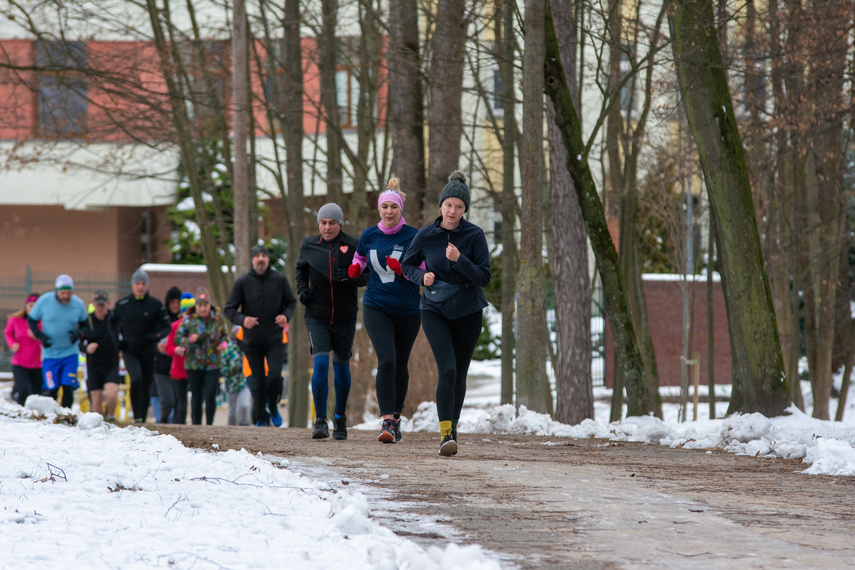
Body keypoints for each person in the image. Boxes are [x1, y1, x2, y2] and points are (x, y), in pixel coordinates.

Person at [401, 171, 491, 456]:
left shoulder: (474, 235)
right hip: (434, 309)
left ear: (465, 210)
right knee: (448, 370)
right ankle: (445, 434)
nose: (453, 211)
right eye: (448, 205)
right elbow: (407, 265)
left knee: (460, 374)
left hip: (468, 310)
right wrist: (421, 277)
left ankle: (453, 427)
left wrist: (460, 260)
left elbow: (484, 277)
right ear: (440, 206)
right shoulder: (425, 235)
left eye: (459, 206)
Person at [349, 178, 422, 443]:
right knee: (387, 359)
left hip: (409, 309)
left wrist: (405, 270)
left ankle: (397, 418)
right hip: (376, 305)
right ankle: (387, 421)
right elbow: (360, 257)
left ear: (400, 209)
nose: (389, 211)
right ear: (378, 209)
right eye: (384, 207)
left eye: (394, 207)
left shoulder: (414, 236)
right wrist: (356, 268)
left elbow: (424, 270)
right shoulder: (369, 235)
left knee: (400, 364)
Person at [296, 202, 368, 440]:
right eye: (323, 223)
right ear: (318, 224)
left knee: (341, 367)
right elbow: (300, 271)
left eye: (332, 223)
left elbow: (367, 276)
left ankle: (339, 417)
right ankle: (319, 421)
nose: (327, 228)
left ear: (340, 224)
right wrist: (302, 291)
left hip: (345, 317)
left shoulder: (354, 245)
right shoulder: (308, 245)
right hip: (317, 316)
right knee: (321, 365)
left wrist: (350, 277)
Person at [225, 244, 296, 427]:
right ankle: (261, 418)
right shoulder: (242, 282)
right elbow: (229, 309)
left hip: (274, 339)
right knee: (256, 381)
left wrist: (285, 316)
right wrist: (243, 319)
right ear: (252, 259)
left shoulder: (279, 280)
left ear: (268, 259)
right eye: (257, 256)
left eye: (264, 255)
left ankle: (272, 406)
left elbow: (291, 303)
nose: (261, 259)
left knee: (274, 377)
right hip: (251, 340)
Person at [110, 268, 172, 423]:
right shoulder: (123, 304)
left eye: (143, 283)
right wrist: (118, 342)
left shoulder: (155, 304)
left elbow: (167, 326)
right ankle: (137, 414)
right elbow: (111, 322)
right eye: (137, 283)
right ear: (132, 285)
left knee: (145, 383)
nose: (140, 286)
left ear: (147, 285)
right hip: (129, 350)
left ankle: (141, 418)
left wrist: (157, 337)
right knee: (136, 379)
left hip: (148, 350)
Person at [27, 274, 89, 408]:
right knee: (52, 389)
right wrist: (40, 336)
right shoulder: (44, 301)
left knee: (67, 386)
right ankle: (52, 420)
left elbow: (86, 325)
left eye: (68, 293)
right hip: (50, 355)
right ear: (56, 291)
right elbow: (31, 320)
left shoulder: (78, 304)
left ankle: (67, 416)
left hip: (70, 353)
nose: (66, 296)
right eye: (62, 293)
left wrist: (79, 333)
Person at [174, 287, 229, 425]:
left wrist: (223, 344)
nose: (203, 308)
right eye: (199, 305)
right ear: (195, 305)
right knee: (196, 395)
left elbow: (225, 337)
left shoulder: (217, 319)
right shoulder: (188, 320)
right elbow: (178, 339)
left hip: (213, 363)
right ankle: (196, 424)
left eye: (205, 305)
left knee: (210, 394)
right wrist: (189, 340)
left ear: (210, 304)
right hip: (193, 363)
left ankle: (209, 423)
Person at [78, 290, 121, 420]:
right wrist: (86, 348)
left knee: (111, 393)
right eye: (98, 305)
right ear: (93, 304)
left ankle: (112, 417)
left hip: (111, 363)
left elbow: (124, 337)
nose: (100, 308)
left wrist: (122, 350)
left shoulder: (115, 320)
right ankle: (100, 424)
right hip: (93, 365)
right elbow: (78, 342)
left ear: (108, 304)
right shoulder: (87, 321)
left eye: (103, 305)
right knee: (96, 401)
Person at [4, 293, 43, 406]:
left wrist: (37, 337)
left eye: (36, 306)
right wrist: (12, 343)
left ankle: (33, 415)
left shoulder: (43, 322)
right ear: (26, 306)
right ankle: (21, 411)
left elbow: (48, 339)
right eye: (30, 305)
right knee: (23, 390)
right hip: (20, 361)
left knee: (35, 393)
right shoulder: (16, 320)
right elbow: (8, 333)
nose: (33, 308)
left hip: (37, 363)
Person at [163, 293, 193, 424]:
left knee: (196, 400)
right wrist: (175, 349)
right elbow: (168, 347)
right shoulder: (175, 326)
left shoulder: (198, 327)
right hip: (179, 371)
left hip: (195, 369)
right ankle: (180, 426)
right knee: (181, 404)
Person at [154, 286, 183, 423]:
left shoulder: (185, 321)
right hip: (162, 367)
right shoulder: (161, 320)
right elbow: (153, 338)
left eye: (178, 302)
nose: (175, 305)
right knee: (168, 400)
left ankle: (177, 428)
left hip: (178, 366)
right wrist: (157, 346)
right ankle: (163, 421)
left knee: (179, 401)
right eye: (173, 302)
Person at [221, 326, 251, 426]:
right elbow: (222, 368)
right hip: (231, 384)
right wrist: (230, 371)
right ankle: (231, 430)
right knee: (232, 412)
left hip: (244, 382)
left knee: (245, 406)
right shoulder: (228, 350)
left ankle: (244, 425)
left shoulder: (248, 348)